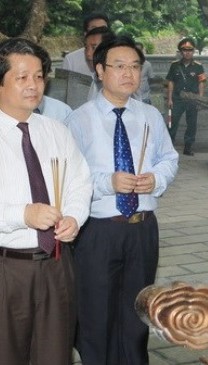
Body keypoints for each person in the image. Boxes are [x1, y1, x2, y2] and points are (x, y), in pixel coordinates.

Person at [65, 35, 179, 365]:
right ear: (100, 70)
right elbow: (73, 176)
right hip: (99, 230)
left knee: (137, 313)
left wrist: (155, 179)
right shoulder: (79, 120)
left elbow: (169, 158)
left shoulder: (149, 116)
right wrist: (108, 182)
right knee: (95, 312)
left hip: (142, 229)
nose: (128, 74)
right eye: (119, 66)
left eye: (134, 67)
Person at [0, 37, 92, 365]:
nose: (34, 85)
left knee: (55, 355)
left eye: (39, 76)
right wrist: (21, 214)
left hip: (56, 263)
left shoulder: (56, 130)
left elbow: (80, 182)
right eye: (22, 77)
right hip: (7, 269)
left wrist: (74, 217)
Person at [166, 37, 207, 155]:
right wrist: (169, 99)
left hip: (193, 99)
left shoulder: (198, 66)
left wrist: (200, 100)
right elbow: (170, 82)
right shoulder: (174, 66)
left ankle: (188, 147)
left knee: (192, 124)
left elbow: (201, 83)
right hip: (177, 99)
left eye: (190, 50)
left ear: (193, 51)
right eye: (184, 50)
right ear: (180, 51)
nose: (187, 52)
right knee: (171, 123)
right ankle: (169, 148)